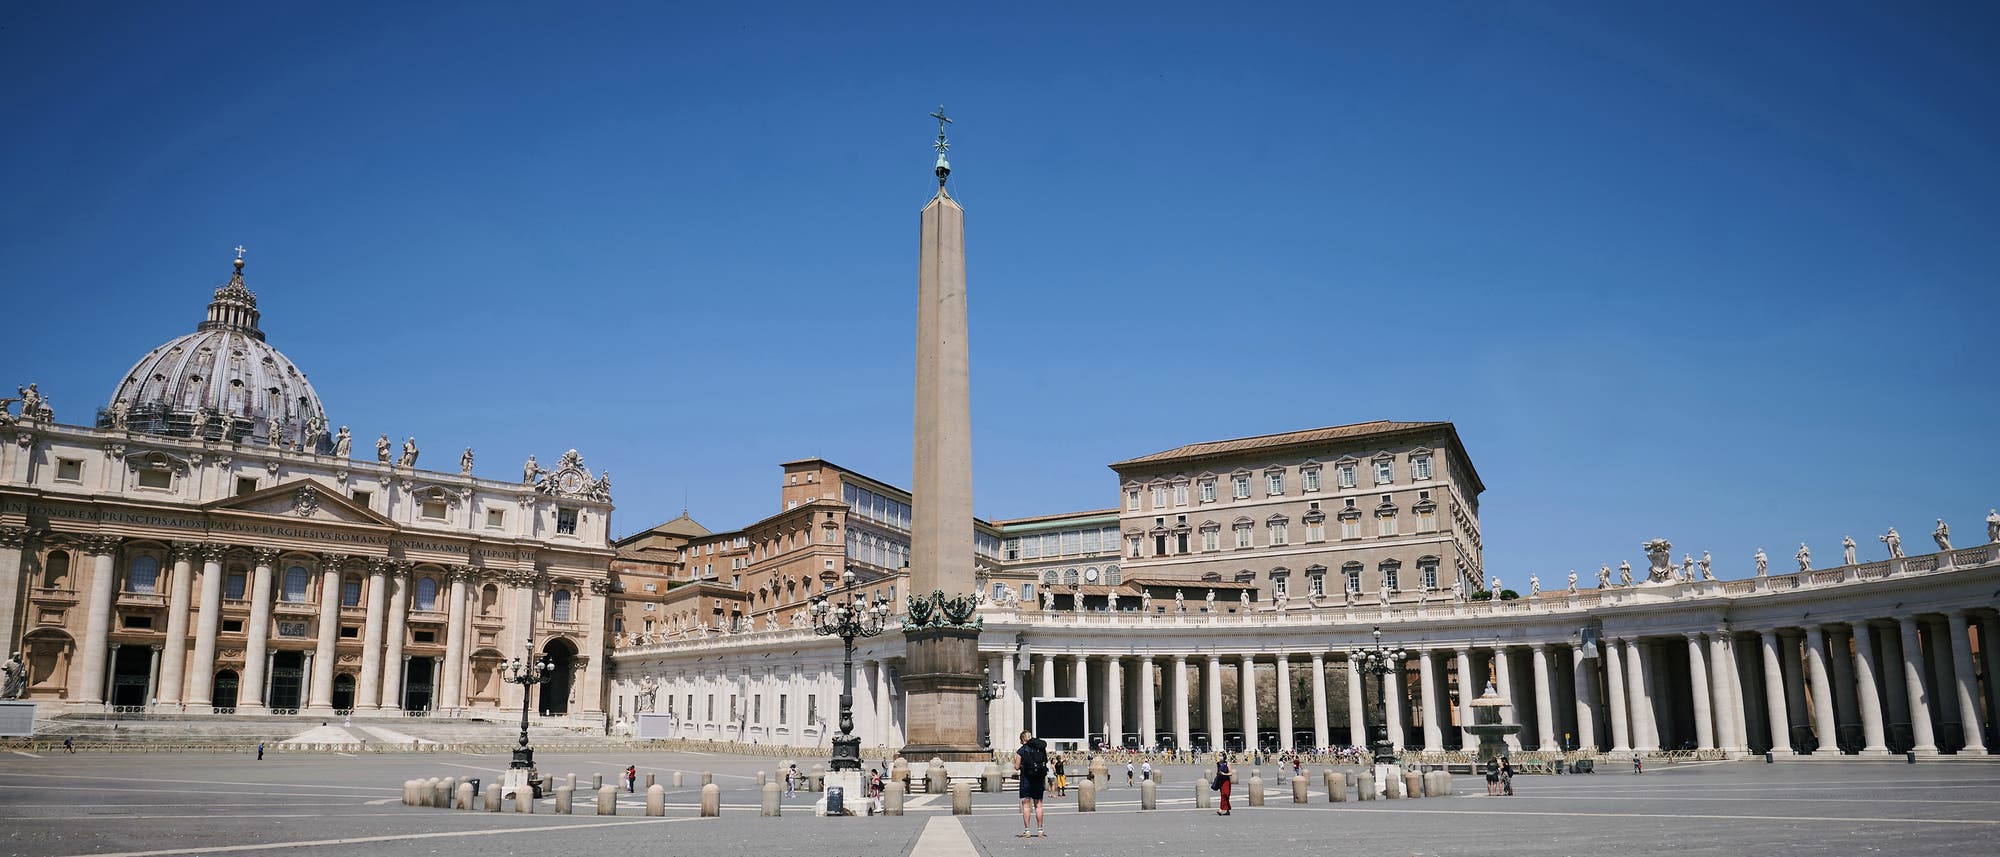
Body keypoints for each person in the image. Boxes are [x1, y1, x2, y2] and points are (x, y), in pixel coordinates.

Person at [1016, 730, 1049, 839]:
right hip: (1038, 779)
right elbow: (1045, 760)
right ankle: (1040, 830)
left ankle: (1027, 831)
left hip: (1026, 779)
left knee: (1026, 805)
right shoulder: (1040, 748)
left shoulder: (1021, 750)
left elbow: (1016, 766)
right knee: (1038, 804)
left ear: (1022, 740)